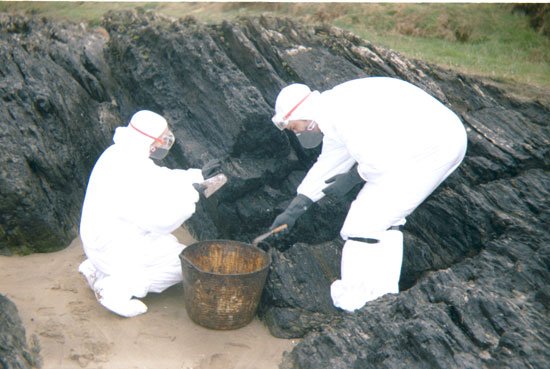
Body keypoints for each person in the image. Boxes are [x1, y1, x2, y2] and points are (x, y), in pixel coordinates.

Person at [269, 77, 467, 312]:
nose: (296, 132)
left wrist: (351, 179)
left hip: (430, 147)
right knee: (383, 220)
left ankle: (356, 304)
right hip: (439, 140)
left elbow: (377, 162)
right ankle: (383, 300)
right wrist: (294, 209)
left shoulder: (341, 115)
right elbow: (330, 163)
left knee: (361, 224)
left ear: (302, 112)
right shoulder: (330, 112)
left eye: (294, 127)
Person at [78, 110, 221, 317]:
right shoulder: (129, 168)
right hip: (112, 247)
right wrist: (193, 196)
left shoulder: (119, 154)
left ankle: (96, 270)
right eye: (161, 139)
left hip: (101, 240)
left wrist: (196, 176)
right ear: (149, 140)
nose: (162, 144)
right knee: (182, 264)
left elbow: (160, 179)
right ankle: (116, 289)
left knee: (168, 245)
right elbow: (163, 222)